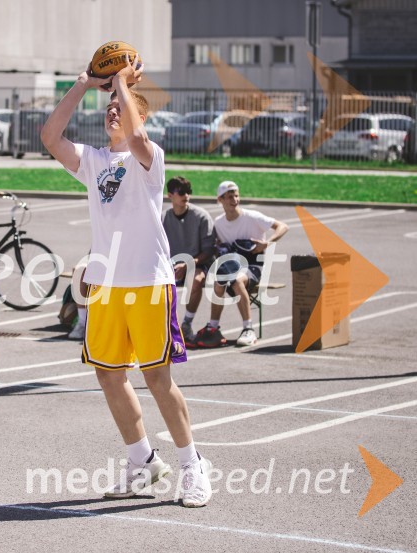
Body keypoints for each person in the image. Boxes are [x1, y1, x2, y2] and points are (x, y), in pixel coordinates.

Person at [41, 57, 212, 508]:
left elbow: (135, 135)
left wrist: (120, 80)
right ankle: (143, 462)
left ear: (139, 112)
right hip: (107, 284)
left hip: (149, 283)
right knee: (109, 374)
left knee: (157, 378)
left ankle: (193, 466)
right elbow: (49, 138)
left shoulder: (149, 159)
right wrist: (83, 82)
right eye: (109, 105)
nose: (112, 109)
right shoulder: (94, 161)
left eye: (121, 104)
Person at [191, 180, 288, 348]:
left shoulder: (252, 217)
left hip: (254, 265)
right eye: (229, 196)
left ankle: (248, 329)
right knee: (219, 280)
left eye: (236, 195)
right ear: (219, 200)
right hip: (232, 264)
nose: (234, 199)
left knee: (236, 280)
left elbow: (282, 226)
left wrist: (268, 243)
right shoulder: (219, 223)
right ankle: (213, 327)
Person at [161, 176, 215, 343]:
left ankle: (187, 323)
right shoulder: (163, 218)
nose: (186, 196)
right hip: (171, 266)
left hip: (197, 264)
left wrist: (188, 264)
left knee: (197, 279)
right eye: (182, 192)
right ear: (170, 196)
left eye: (189, 192)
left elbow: (208, 251)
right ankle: (164, 326)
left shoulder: (202, 216)